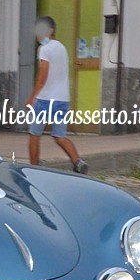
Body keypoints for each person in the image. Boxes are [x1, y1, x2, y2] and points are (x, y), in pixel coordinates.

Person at [26, 16, 88, 174]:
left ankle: (34, 167)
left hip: (45, 99)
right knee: (59, 136)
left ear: (51, 31)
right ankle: (77, 162)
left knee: (34, 134)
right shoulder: (61, 47)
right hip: (62, 99)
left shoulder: (44, 49)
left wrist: (32, 97)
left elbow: (42, 76)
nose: (38, 35)